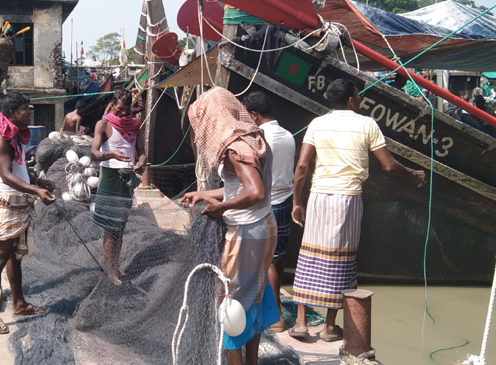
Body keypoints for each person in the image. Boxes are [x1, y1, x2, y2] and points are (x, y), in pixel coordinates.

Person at [288, 79, 425, 342]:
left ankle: (301, 322)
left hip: (318, 196)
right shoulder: (367, 124)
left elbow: (302, 166)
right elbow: (388, 165)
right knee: (340, 258)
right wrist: (413, 174)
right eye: (358, 95)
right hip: (347, 199)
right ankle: (329, 326)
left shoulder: (317, 123)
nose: (359, 99)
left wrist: (297, 201)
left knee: (309, 255)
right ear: (352, 99)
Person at [181, 87, 279, 365]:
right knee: (254, 297)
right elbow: (241, 187)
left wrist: (220, 208)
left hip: (246, 234)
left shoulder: (235, 149)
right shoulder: (252, 137)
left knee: (230, 305)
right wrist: (205, 195)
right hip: (263, 225)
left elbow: (256, 191)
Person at [0, 92, 57, 335]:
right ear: (13, 113)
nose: (31, 112)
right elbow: (6, 176)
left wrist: (38, 182)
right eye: (27, 108)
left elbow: (20, 170)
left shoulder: (13, 135)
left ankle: (19, 304)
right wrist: (35, 190)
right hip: (6, 206)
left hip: (19, 205)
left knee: (16, 257)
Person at [243, 91, 295, 333]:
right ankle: (277, 307)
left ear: (254, 115)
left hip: (268, 204)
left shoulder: (261, 139)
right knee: (278, 257)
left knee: (268, 261)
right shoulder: (287, 135)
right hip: (285, 199)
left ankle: (275, 318)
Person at [90, 88, 147, 285]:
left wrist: (141, 163)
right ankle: (110, 271)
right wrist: (112, 154)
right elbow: (94, 153)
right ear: (113, 105)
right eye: (120, 109)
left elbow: (141, 152)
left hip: (127, 179)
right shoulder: (103, 124)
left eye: (127, 109)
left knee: (120, 226)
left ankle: (117, 266)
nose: (124, 113)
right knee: (110, 227)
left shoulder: (134, 125)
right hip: (110, 177)